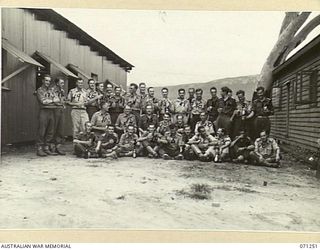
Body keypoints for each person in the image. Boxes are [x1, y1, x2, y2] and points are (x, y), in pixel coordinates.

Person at [36, 74, 58, 156]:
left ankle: (46, 147)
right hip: (43, 111)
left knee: (50, 131)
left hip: (51, 112)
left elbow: (57, 99)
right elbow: (43, 102)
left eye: (49, 81)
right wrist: (53, 100)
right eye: (46, 80)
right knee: (42, 131)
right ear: (42, 81)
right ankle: (39, 149)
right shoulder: (40, 90)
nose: (48, 82)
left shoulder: (51, 90)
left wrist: (50, 100)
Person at [51, 77, 67, 155]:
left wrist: (62, 103)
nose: (63, 84)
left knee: (60, 128)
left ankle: (58, 147)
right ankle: (51, 147)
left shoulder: (62, 91)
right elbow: (55, 101)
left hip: (61, 110)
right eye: (61, 83)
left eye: (63, 83)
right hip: (55, 110)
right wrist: (61, 103)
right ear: (57, 83)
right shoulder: (52, 90)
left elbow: (63, 100)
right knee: (53, 128)